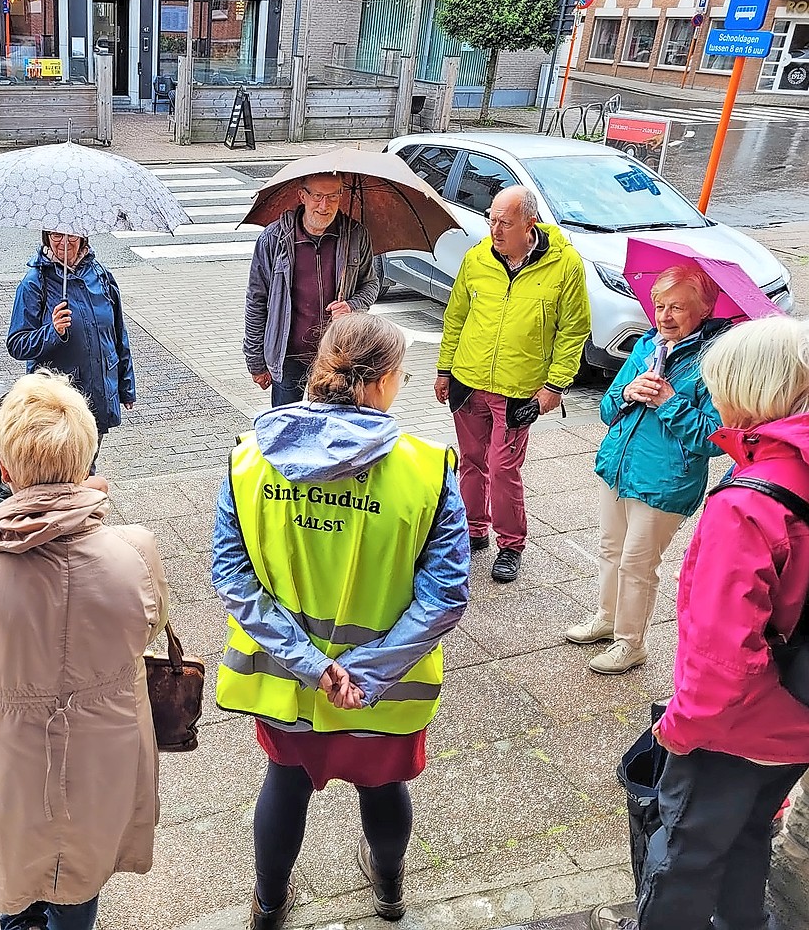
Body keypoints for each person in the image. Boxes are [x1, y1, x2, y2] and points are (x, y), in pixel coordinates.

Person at [213, 313, 470, 930]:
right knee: (383, 791)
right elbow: (446, 592)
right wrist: (365, 674)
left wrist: (315, 666)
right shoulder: (427, 468)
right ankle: (388, 894)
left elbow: (232, 579)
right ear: (381, 381)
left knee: (285, 785)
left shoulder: (249, 460)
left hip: (288, 686)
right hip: (386, 691)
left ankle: (269, 903)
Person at [0, 371, 168, 930]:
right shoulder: (135, 551)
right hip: (106, 756)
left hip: (13, 764)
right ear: (86, 459)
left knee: (16, 885)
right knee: (81, 880)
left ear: (7, 470)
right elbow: (149, 628)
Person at [590, 315, 809, 930]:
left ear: (746, 393)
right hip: (808, 709)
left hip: (738, 724)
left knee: (685, 858)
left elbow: (723, 650)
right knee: (750, 835)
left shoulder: (748, 504)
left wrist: (681, 728)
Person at [566, 266, 726, 675]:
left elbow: (714, 439)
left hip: (665, 482)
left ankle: (630, 643)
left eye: (678, 307)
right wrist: (627, 392)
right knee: (610, 551)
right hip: (619, 468)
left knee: (637, 564)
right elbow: (606, 409)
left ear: (704, 310)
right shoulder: (644, 348)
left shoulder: (714, 362)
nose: (665, 316)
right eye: (660, 306)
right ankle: (607, 618)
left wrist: (669, 401)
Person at [434, 184, 590, 583]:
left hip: (519, 389)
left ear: (530, 224)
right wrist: (444, 368)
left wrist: (555, 386)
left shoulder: (564, 264)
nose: (495, 229)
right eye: (491, 219)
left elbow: (573, 330)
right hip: (468, 380)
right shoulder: (477, 258)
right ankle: (473, 529)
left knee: (502, 467)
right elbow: (455, 317)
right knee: (470, 461)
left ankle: (511, 544)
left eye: (505, 222)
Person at [244, 171, 380, 408]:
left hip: (337, 356)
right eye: (317, 196)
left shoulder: (355, 236)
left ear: (341, 196)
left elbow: (371, 284)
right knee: (288, 428)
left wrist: (352, 305)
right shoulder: (273, 239)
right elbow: (256, 301)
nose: (324, 205)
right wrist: (256, 360)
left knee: (331, 428)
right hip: (289, 355)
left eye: (332, 197)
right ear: (302, 196)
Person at [6, 231, 134, 467]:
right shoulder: (35, 282)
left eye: (72, 236)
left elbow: (117, 334)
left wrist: (126, 387)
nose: (64, 243)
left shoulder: (101, 276)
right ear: (46, 237)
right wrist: (53, 331)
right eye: (56, 236)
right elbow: (17, 344)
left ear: (83, 238)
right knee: (65, 471)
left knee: (86, 463)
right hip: (58, 403)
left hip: (98, 394)